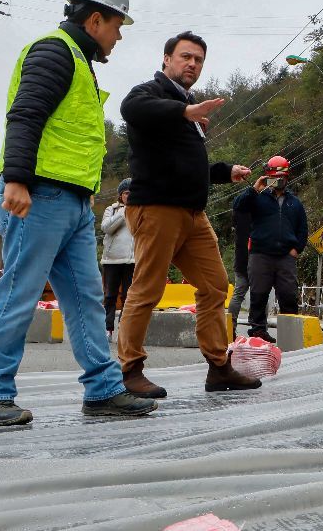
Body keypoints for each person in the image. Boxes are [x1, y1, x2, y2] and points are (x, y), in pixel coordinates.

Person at [0, 0, 155, 425]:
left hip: (71, 202)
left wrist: (82, 196)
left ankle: (104, 389)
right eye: (117, 26)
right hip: (37, 195)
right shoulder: (55, 51)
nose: (117, 37)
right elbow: (26, 112)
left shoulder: (79, 60)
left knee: (86, 298)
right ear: (95, 19)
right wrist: (15, 179)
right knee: (19, 293)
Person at [118, 30, 261, 397]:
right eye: (185, 57)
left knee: (215, 286)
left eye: (198, 59)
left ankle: (218, 368)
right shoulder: (149, 93)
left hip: (193, 215)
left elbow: (185, 163)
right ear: (166, 59)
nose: (192, 64)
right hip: (156, 209)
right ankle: (129, 370)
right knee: (147, 289)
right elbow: (130, 109)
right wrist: (184, 111)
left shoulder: (189, 105)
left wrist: (224, 171)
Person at [233, 155, 309, 343]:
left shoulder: (295, 203)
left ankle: (290, 332)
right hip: (260, 255)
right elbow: (238, 207)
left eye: (281, 178)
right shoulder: (257, 198)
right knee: (259, 293)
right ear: (267, 177)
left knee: (288, 294)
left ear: (287, 177)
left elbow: (303, 229)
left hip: (285, 256)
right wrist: (254, 189)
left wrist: (296, 249)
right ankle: (258, 331)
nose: (277, 181)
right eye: (273, 177)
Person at [101, 178, 135, 340]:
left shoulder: (141, 209)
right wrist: (124, 212)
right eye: (126, 193)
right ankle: (108, 328)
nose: (129, 196)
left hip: (133, 260)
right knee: (110, 295)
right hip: (112, 259)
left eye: (132, 193)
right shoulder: (112, 209)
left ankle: (125, 327)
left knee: (129, 296)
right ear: (121, 195)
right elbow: (106, 228)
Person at [227, 202, 252, 338]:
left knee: (238, 294)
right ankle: (259, 328)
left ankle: (230, 327)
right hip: (256, 261)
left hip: (240, 261)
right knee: (260, 295)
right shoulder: (258, 217)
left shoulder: (237, 216)